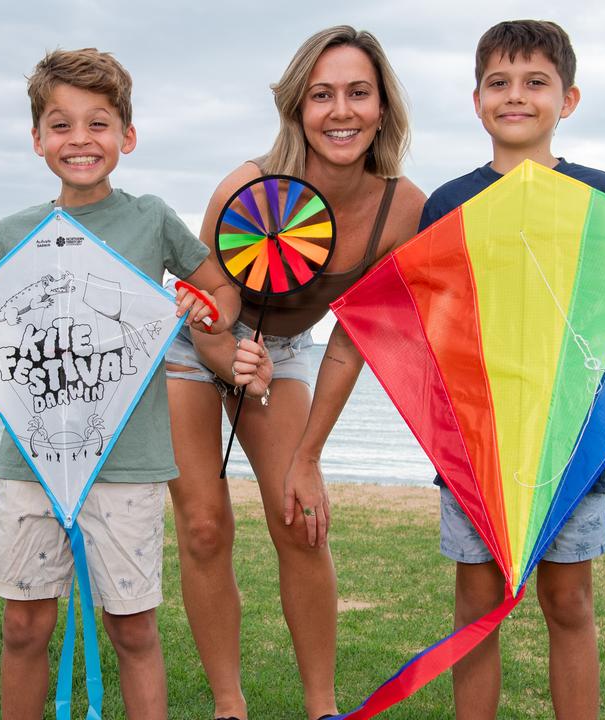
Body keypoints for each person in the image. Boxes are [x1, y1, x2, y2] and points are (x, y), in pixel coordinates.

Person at [0, 48, 238, 720]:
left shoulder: (151, 219)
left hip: (131, 462)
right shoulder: (16, 231)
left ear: (126, 137)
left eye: (98, 123)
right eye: (61, 125)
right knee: (24, 626)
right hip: (30, 460)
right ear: (36, 140)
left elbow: (221, 291)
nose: (80, 139)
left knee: (133, 629)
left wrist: (207, 308)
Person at [164, 27, 425, 720]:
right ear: (298, 108)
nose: (341, 111)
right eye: (322, 95)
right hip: (194, 344)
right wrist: (224, 357)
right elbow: (203, 299)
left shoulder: (404, 211)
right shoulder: (245, 187)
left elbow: (355, 339)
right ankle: (229, 704)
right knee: (204, 528)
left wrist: (308, 456)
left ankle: (322, 710)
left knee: (302, 518)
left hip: (285, 351)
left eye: (358, 93)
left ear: (381, 107)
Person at [418, 20, 605, 720]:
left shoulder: (599, 192)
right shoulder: (447, 203)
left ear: (567, 99)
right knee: (479, 607)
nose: (516, 96)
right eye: (499, 83)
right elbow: (430, 329)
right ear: (476, 100)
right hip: (478, 446)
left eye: (536, 82)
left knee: (568, 602)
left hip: (569, 440)